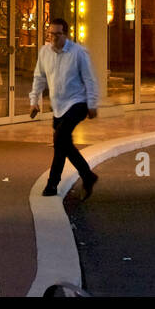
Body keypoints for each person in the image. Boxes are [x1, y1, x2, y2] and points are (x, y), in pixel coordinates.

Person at [29, 17, 100, 198]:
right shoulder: (44, 52)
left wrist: (92, 104)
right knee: (61, 144)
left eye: (58, 34)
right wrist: (34, 101)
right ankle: (86, 176)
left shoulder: (78, 53)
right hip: (58, 106)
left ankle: (53, 184)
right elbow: (39, 78)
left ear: (65, 35)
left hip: (78, 102)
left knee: (60, 138)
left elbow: (89, 79)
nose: (54, 37)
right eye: (51, 34)